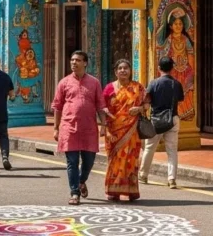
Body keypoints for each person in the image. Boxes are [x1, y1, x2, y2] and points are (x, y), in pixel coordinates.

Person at [52, 51, 106, 205]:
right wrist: (56, 128)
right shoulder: (64, 83)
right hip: (69, 127)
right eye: (72, 60)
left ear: (85, 63)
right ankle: (74, 192)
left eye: (78, 60)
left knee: (89, 161)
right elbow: (57, 107)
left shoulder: (94, 82)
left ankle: (82, 180)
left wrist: (103, 125)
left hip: (89, 128)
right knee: (72, 162)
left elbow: (100, 105)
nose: (74, 63)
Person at [103, 59, 146, 202]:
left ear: (130, 71)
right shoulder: (109, 88)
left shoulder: (138, 88)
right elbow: (102, 109)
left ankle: (130, 190)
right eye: (120, 68)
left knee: (131, 160)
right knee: (114, 160)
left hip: (132, 130)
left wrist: (139, 109)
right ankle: (113, 190)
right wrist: (104, 127)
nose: (123, 70)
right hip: (114, 131)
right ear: (115, 72)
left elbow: (147, 104)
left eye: (126, 68)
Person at [139, 56, 184, 189]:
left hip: (156, 120)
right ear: (172, 68)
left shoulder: (153, 83)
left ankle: (143, 175)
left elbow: (147, 101)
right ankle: (171, 179)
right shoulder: (177, 84)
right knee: (172, 151)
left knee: (149, 148)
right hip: (173, 118)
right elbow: (180, 99)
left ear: (159, 68)